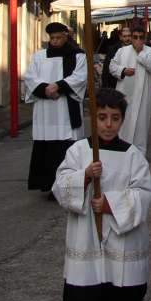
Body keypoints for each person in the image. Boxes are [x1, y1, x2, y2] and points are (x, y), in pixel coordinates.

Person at [53, 88, 151, 301]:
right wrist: (85, 176)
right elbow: (60, 187)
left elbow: (144, 194)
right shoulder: (78, 151)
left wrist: (111, 204)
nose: (108, 125)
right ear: (93, 117)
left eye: (115, 118)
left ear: (122, 120)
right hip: (86, 238)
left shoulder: (133, 155)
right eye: (102, 117)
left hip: (123, 242)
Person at [24, 22, 88, 195]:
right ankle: (48, 184)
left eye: (59, 37)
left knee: (65, 148)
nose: (55, 41)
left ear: (66, 36)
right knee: (46, 148)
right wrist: (45, 89)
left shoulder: (77, 56)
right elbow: (30, 77)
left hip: (66, 111)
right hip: (45, 111)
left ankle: (67, 186)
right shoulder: (39, 56)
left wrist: (58, 86)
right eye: (52, 38)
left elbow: (80, 77)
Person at [109, 26, 151, 155]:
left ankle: (139, 156)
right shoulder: (122, 51)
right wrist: (123, 70)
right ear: (131, 37)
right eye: (135, 37)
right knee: (124, 123)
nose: (138, 40)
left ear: (145, 38)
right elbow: (112, 66)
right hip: (125, 93)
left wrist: (140, 53)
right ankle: (122, 152)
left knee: (141, 127)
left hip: (143, 97)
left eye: (141, 37)